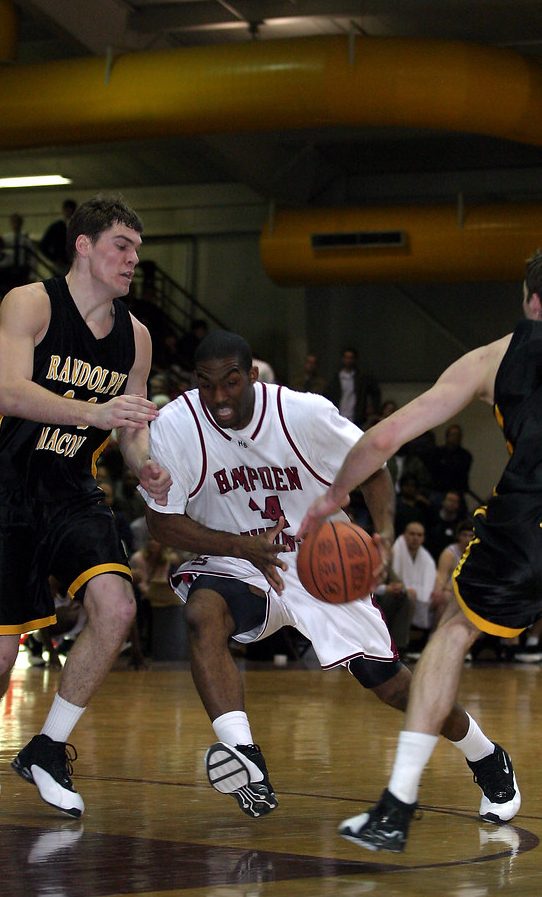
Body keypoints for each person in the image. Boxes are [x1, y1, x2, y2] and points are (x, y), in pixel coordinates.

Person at [300, 239, 542, 852]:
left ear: (534, 300)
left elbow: (387, 435)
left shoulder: (501, 353)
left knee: (452, 632)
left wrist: (337, 494)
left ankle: (397, 808)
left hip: (530, 518)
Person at [141, 328, 516, 823]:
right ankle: (246, 760)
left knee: (393, 687)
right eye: (207, 385)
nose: (219, 397)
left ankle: (485, 754)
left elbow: (376, 471)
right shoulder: (176, 424)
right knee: (202, 614)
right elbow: (161, 522)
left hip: (320, 562)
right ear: (194, 381)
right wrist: (239, 547)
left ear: (252, 375)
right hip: (240, 558)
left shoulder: (304, 414)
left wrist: (381, 533)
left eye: (231, 383)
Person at [0, 194, 172, 818]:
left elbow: (130, 426)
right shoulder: (29, 302)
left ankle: (49, 747)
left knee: (117, 606)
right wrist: (97, 413)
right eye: (121, 247)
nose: (134, 259)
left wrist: (144, 464)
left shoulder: (136, 337)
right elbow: (13, 393)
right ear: (83, 245)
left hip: (73, 490)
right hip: (5, 488)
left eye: (137, 249)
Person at [324, 347, 381, 428]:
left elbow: (375, 392)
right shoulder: (336, 378)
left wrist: (372, 407)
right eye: (346, 358)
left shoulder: (362, 378)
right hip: (339, 414)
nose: (348, 361)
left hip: (357, 416)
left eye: (351, 358)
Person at [39, 198, 77, 275]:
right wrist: (54, 258)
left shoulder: (79, 226)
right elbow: (43, 245)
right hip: (62, 264)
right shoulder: (56, 227)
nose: (69, 212)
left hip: (75, 262)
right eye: (67, 209)